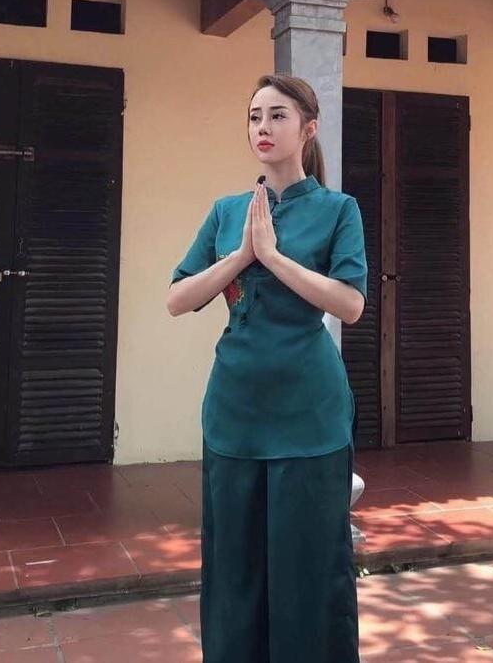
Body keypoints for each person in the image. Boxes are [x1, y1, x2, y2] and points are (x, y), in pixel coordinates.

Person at [167, 74, 368, 663]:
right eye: (255, 116)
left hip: (309, 408)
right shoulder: (227, 211)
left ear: (308, 129)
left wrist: (274, 258)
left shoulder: (338, 210)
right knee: (233, 568)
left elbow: (350, 304)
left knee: (310, 567)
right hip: (235, 407)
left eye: (278, 116)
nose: (263, 127)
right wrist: (241, 256)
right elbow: (178, 298)